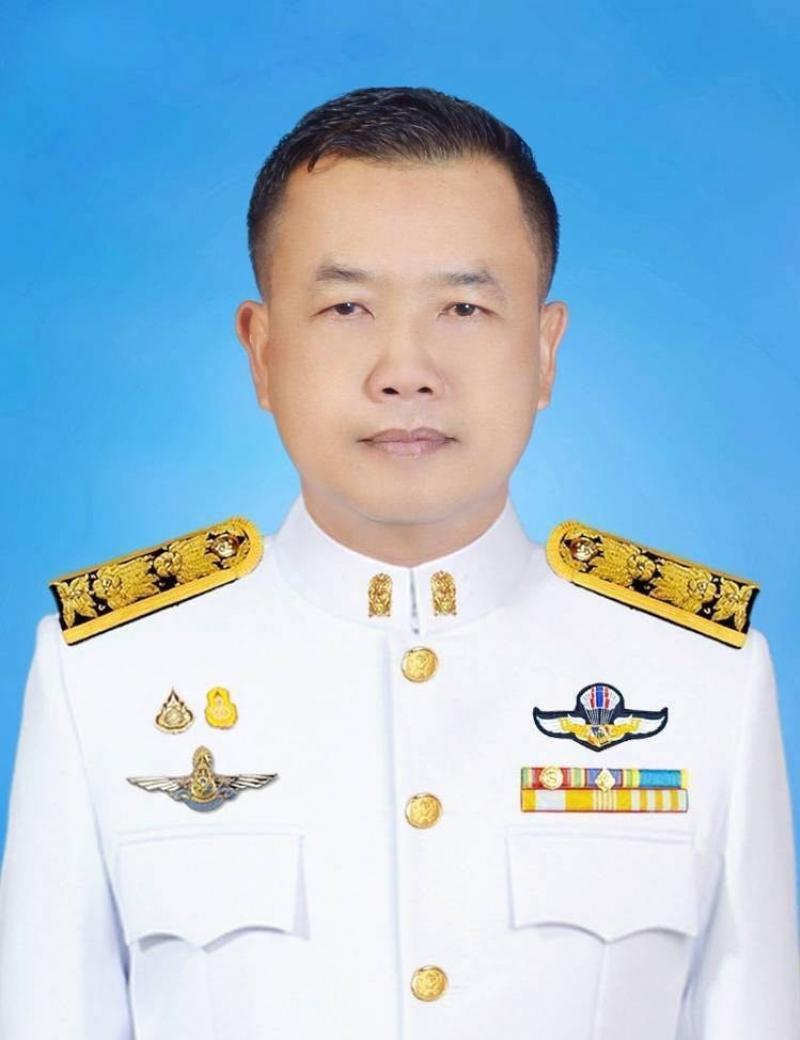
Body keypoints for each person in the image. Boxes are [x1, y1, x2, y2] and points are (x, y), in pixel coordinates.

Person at [0, 84, 797, 1040]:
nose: (405, 371)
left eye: (463, 305)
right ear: (261, 351)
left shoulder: (704, 678)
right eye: (346, 306)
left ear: (546, 351)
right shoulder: (102, 676)